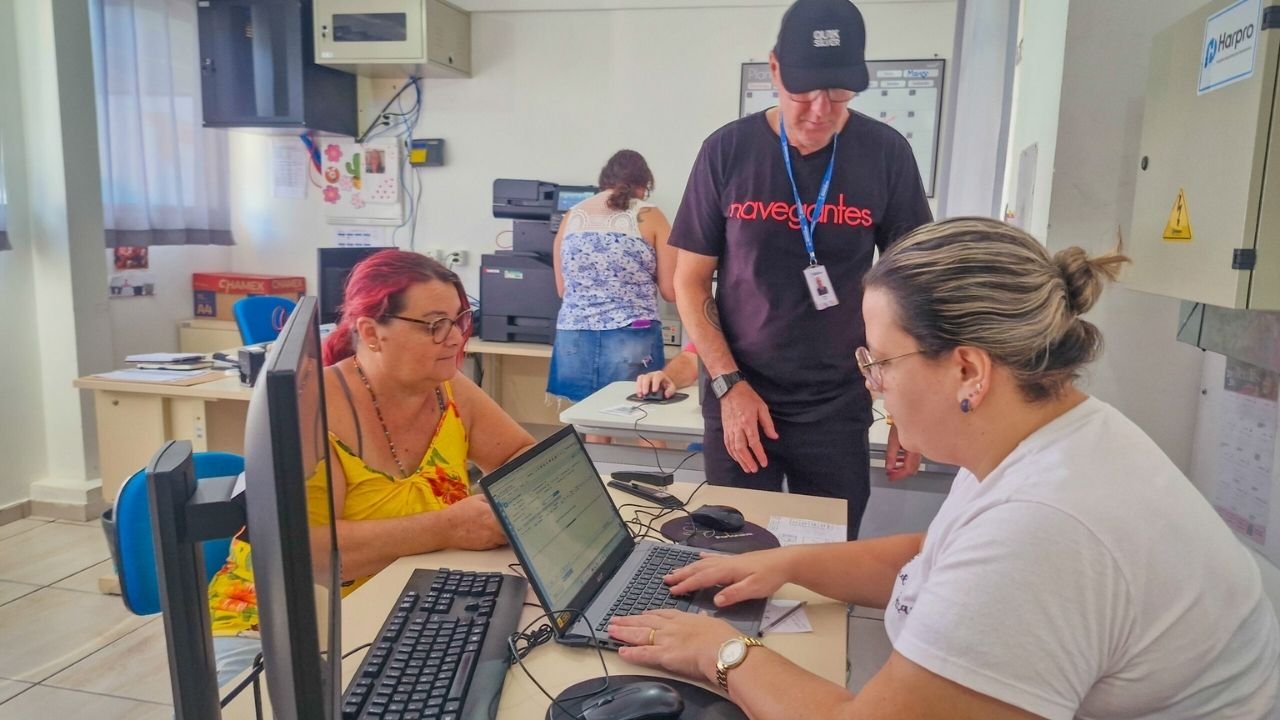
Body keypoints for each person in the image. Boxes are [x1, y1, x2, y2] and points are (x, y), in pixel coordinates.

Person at [608, 218, 1280, 719]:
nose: (873, 385)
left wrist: (720, 653)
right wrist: (784, 565)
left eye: (880, 362)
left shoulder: (1045, 526)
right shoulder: (1048, 436)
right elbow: (936, 555)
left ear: (967, 371)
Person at [206, 249, 535, 688]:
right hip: (280, 623)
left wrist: (501, 505)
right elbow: (308, 553)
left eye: (459, 320)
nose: (455, 338)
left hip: (400, 607)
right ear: (371, 332)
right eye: (435, 324)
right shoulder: (315, 407)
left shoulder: (449, 389)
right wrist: (448, 527)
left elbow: (520, 458)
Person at [669, 0, 933, 539]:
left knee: (826, 564)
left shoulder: (886, 153)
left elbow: (914, 289)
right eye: (802, 94)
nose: (819, 111)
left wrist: (911, 405)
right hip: (740, 394)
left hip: (837, 403)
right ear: (773, 71)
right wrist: (729, 386)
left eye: (838, 97)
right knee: (733, 560)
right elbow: (689, 281)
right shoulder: (727, 151)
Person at [548, 150, 676, 439]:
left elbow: (562, 289)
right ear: (644, 185)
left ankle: (600, 481)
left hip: (575, 334)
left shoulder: (572, 216)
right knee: (647, 416)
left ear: (605, 181)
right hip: (631, 332)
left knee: (595, 421)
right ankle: (658, 482)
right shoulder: (650, 215)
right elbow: (669, 291)